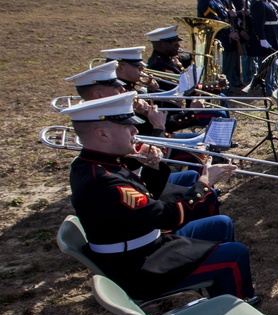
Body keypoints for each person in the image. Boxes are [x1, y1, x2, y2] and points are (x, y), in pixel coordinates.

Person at [61, 92, 257, 302]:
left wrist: (153, 168)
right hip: (139, 268)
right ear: (102, 134)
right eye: (128, 127)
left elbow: (146, 202)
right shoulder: (103, 180)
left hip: (144, 246)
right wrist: (204, 183)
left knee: (221, 224)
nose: (136, 131)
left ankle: (220, 291)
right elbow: (168, 217)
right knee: (235, 255)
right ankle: (240, 304)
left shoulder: (96, 163)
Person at [196, 0, 241, 89]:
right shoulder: (205, 1)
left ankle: (229, 86)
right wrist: (228, 32)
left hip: (226, 37)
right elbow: (214, 21)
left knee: (229, 64)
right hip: (219, 37)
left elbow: (224, 15)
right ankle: (223, 89)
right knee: (222, 66)